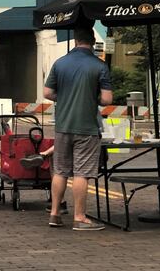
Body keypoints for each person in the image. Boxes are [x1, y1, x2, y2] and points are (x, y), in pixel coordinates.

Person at [44, 27, 113, 231]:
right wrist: (93, 97)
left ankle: (55, 214)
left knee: (60, 170)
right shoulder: (99, 66)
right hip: (87, 127)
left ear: (75, 41)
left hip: (63, 125)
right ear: (92, 42)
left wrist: (64, 97)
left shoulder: (60, 63)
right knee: (81, 173)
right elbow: (107, 99)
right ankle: (80, 217)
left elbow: (48, 92)